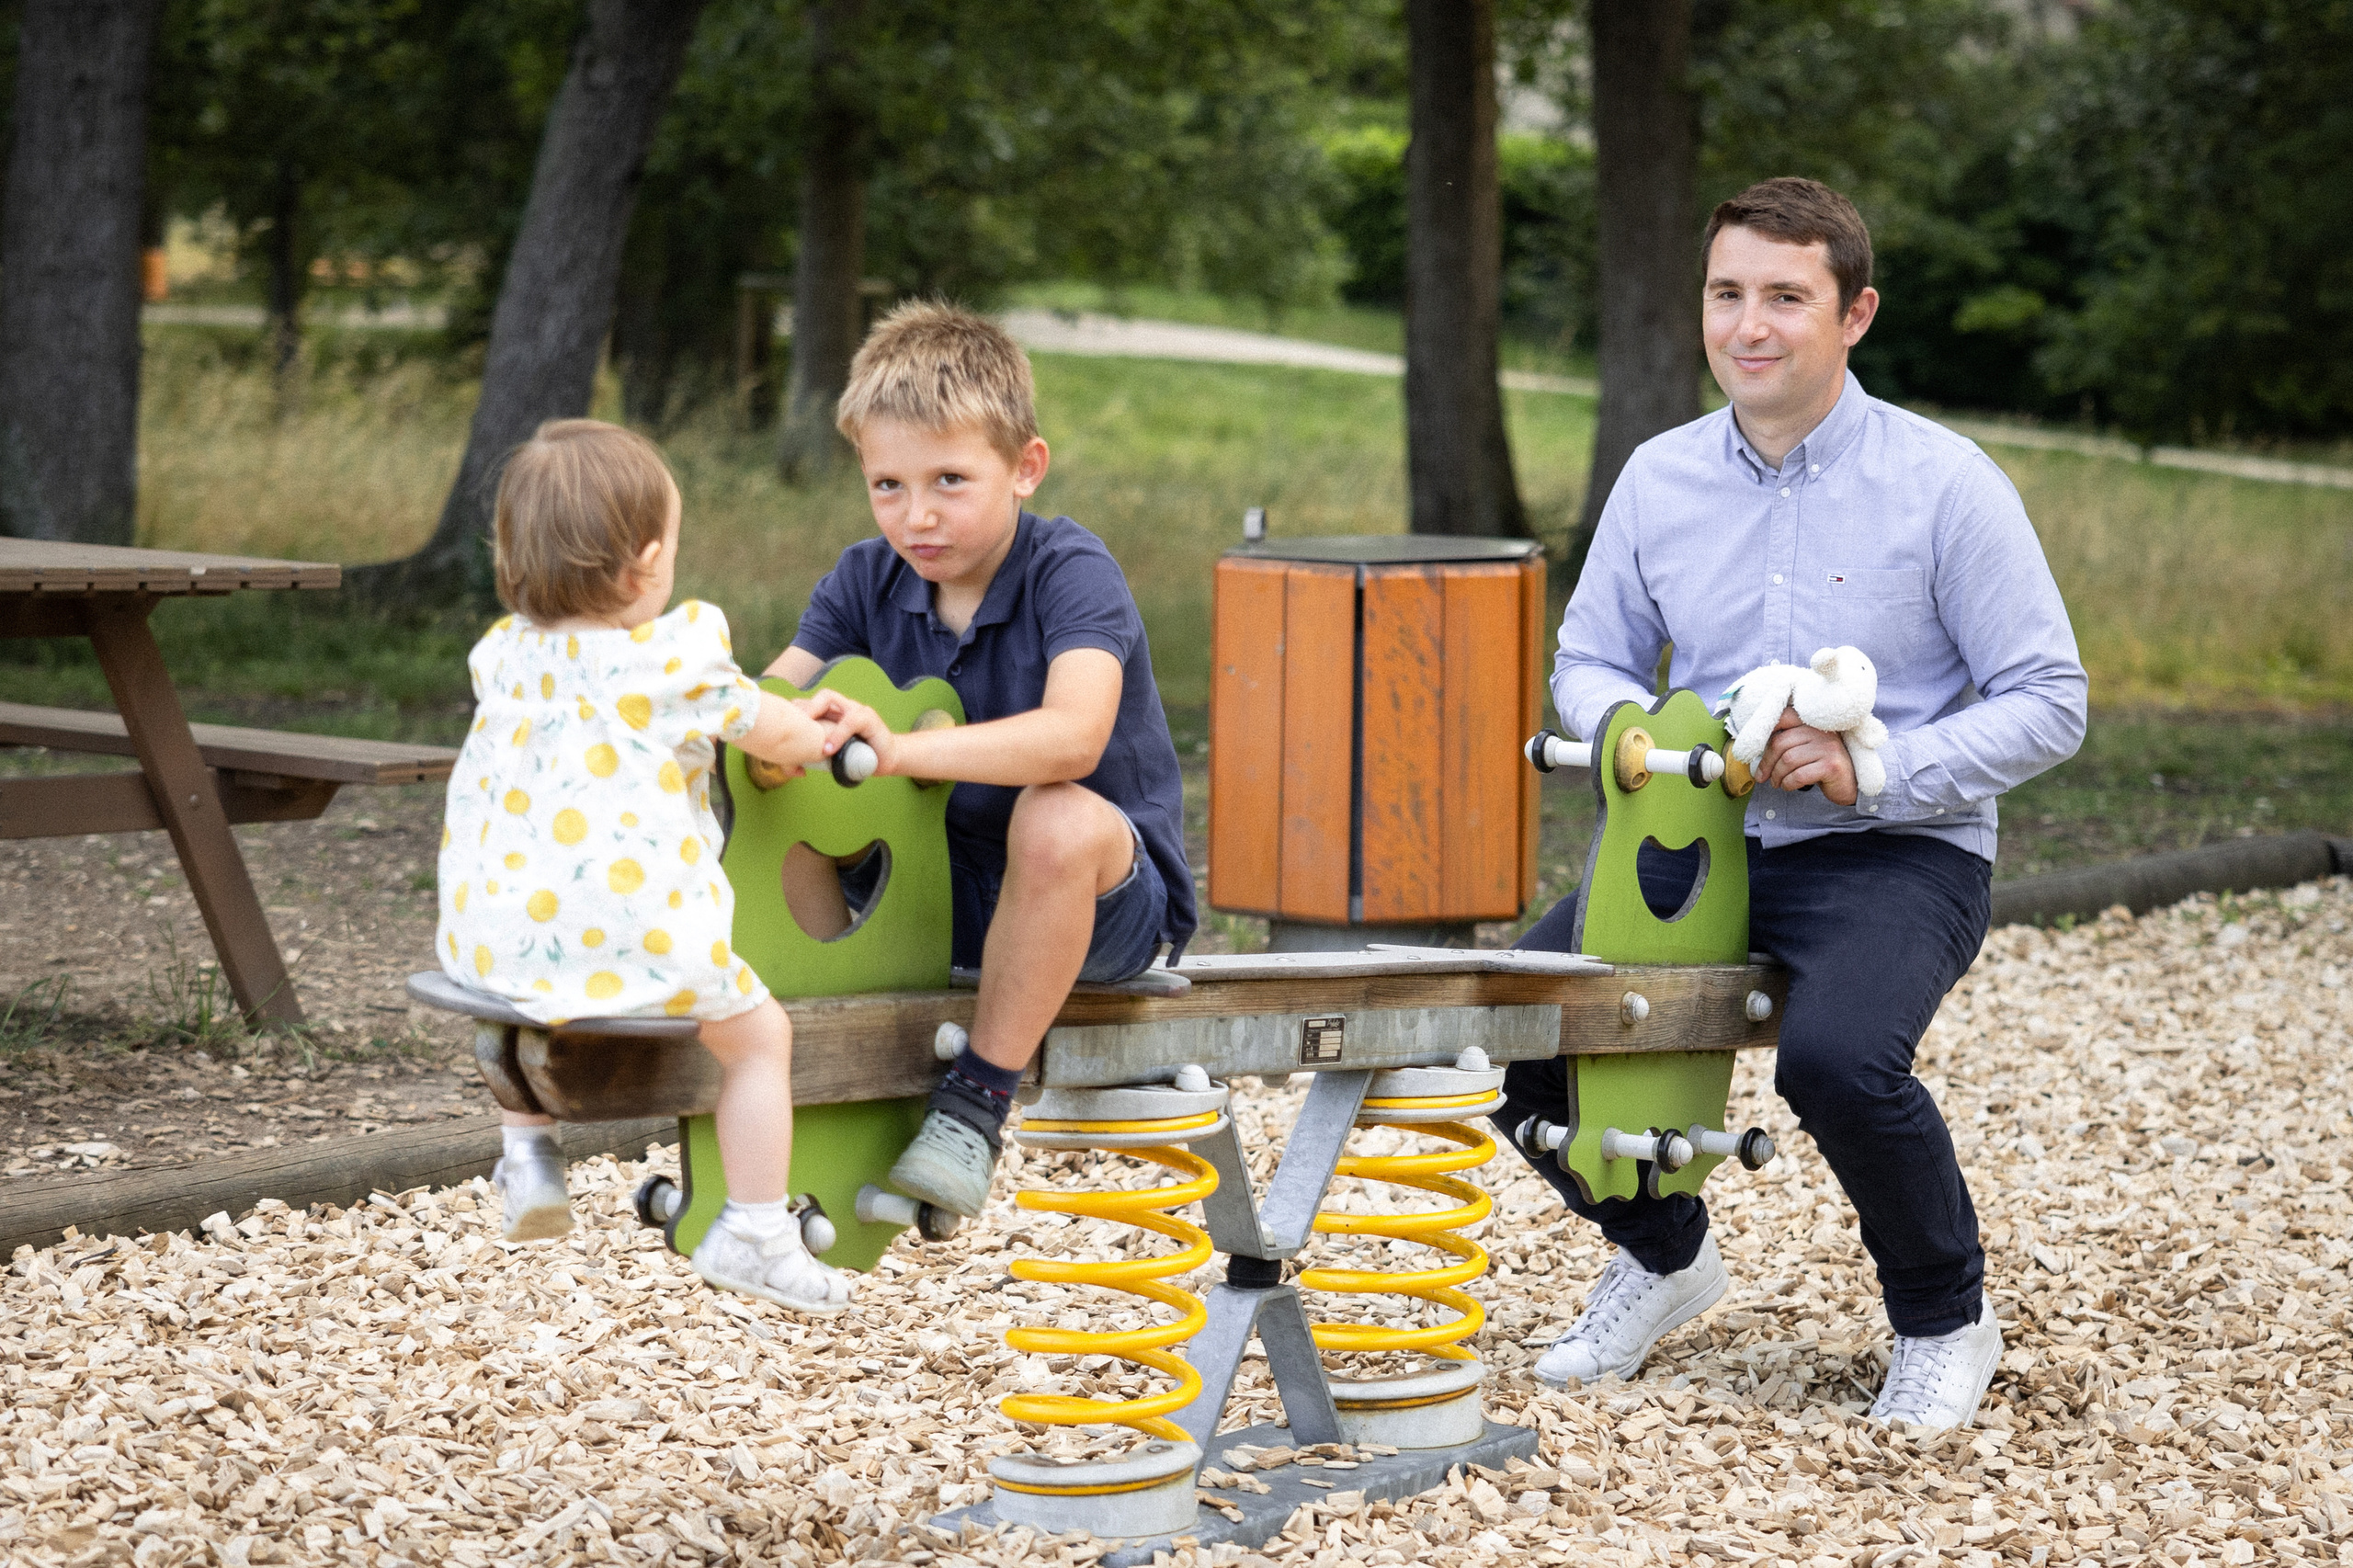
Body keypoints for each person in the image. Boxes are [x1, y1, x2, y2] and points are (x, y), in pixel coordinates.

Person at [1499, 177, 2086, 1429]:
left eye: (1785, 297)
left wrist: (1871, 766)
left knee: (1836, 1061)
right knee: (1527, 1027)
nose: (1749, 325)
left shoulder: (1947, 483)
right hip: (1694, 844)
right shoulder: (1658, 479)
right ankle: (1665, 1256)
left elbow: (2051, 697)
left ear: (1854, 313)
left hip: (1897, 853)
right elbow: (1591, 662)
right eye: (1727, 294)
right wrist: (1638, 736)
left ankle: (1944, 1318)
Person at [438, 418, 881, 1316]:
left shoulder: (504, 654)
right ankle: (755, 1230)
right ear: (647, 561)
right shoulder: (673, 654)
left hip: (491, 938)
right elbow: (773, 729)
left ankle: (527, 1158)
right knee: (758, 1038)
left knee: (521, 1009)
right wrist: (822, 724)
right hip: (637, 933)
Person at [766, 301, 1194, 1220]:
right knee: (778, 796)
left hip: (1095, 903)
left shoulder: (1069, 570)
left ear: (1024, 468)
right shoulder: (861, 578)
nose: (915, 514)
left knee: (1056, 809)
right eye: (887, 485)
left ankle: (975, 1104)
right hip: (932, 901)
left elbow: (1074, 734)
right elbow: (766, 701)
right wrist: (749, 726)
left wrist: (896, 751)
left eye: (949, 480)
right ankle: (823, 1036)